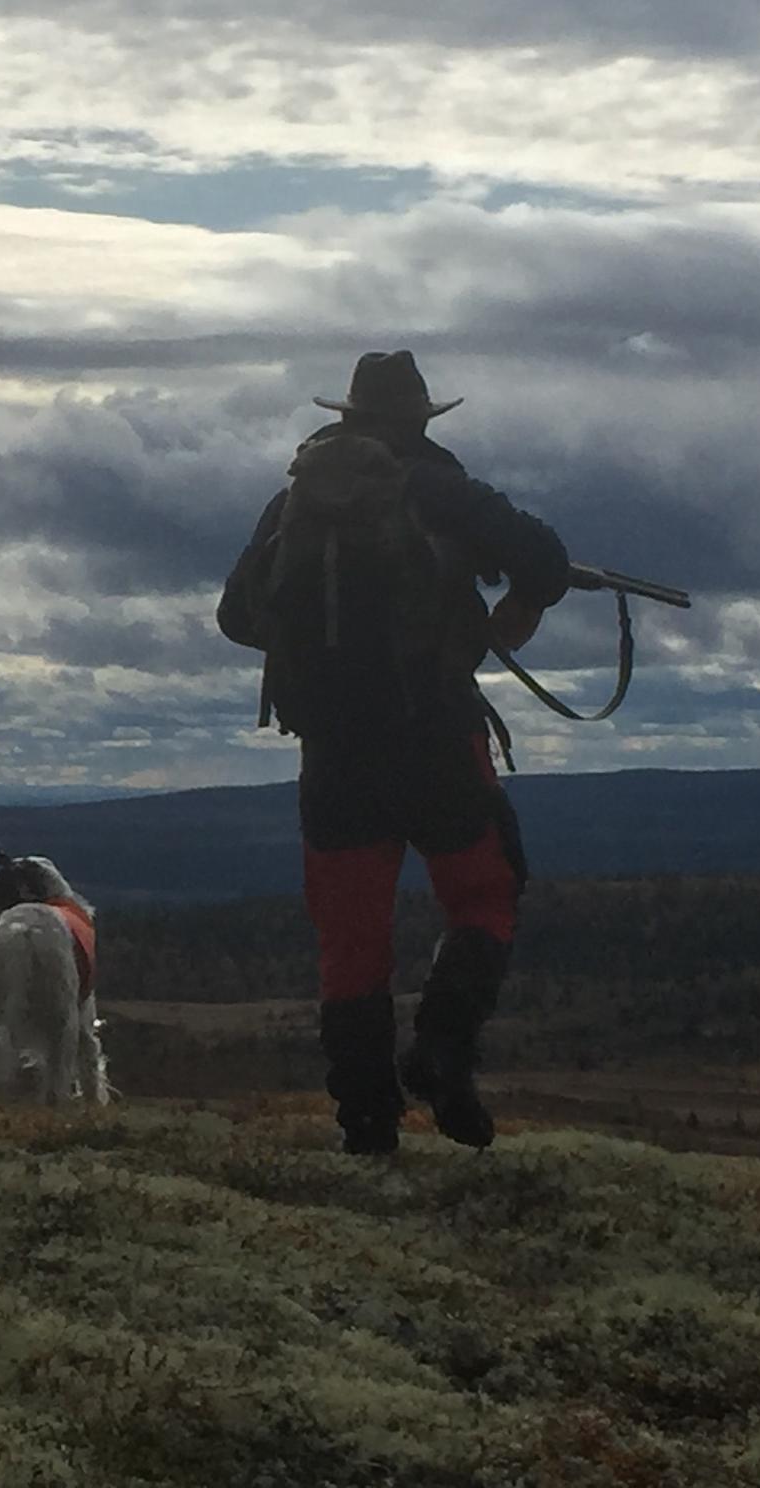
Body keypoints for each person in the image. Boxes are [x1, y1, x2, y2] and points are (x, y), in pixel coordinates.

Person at [218, 350, 569, 1153]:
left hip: (334, 753)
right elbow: (543, 557)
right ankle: (443, 1051)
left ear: (346, 414)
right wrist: (514, 605)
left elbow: (236, 616)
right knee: (487, 893)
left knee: (351, 938)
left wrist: (319, 647)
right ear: (419, 418)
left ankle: (367, 1124)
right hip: (438, 736)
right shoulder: (441, 488)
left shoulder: (291, 503)